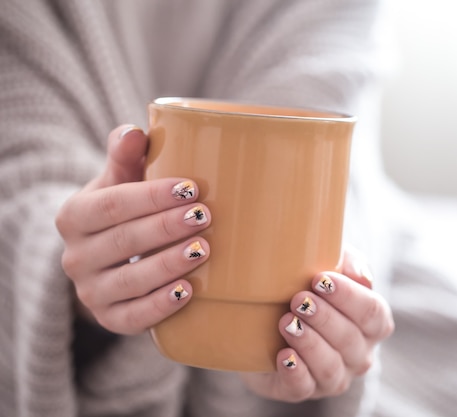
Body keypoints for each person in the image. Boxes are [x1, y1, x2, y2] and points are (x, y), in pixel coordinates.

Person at [0, 1, 396, 416]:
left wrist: (333, 293)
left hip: (306, 322)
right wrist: (76, 268)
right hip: (84, 344)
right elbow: (16, 169)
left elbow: (326, 169)